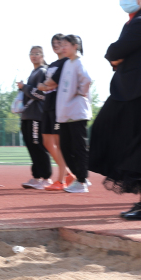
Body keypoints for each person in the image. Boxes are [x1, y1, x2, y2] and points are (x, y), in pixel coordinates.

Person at [89, 0, 141, 220]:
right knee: (125, 141)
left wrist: (117, 56)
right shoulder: (134, 21)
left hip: (140, 93)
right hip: (129, 92)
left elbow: (114, 51)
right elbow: (117, 53)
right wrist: (118, 56)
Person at [54, 35, 92, 193]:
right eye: (61, 44)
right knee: (65, 147)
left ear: (75, 46)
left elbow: (87, 80)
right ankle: (81, 177)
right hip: (66, 113)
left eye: (66, 44)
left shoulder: (79, 62)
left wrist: (79, 93)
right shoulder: (68, 63)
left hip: (77, 112)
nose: (63, 47)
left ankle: (82, 180)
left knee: (78, 147)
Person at [37, 34, 74, 188]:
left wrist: (47, 85)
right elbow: (45, 84)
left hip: (59, 105)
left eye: (60, 43)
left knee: (59, 143)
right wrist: (47, 85)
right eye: (54, 43)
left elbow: (54, 83)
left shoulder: (67, 62)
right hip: (48, 104)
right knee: (46, 141)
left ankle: (61, 179)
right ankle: (68, 173)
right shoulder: (52, 64)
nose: (56, 45)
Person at [17, 46, 53, 190]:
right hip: (27, 115)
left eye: (37, 53)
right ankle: (37, 176)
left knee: (37, 145)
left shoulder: (43, 72)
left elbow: (42, 94)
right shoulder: (34, 72)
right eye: (32, 54)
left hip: (36, 115)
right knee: (31, 146)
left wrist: (24, 88)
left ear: (43, 56)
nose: (34, 56)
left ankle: (46, 177)